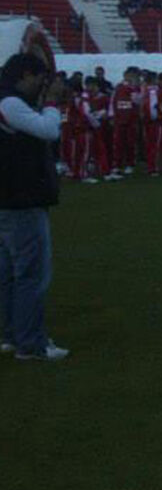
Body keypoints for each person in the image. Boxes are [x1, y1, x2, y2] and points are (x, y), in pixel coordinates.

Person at [0, 53, 70, 361]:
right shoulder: (10, 103)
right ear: (26, 74)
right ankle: (31, 343)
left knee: (10, 273)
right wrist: (53, 103)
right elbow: (48, 130)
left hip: (9, 197)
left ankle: (13, 335)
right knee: (31, 273)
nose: (43, 86)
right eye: (40, 79)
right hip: (21, 198)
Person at [110, 68, 139, 175]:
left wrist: (134, 90)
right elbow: (112, 102)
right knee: (118, 143)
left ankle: (129, 164)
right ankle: (117, 164)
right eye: (129, 75)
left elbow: (137, 102)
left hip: (131, 119)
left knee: (130, 143)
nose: (131, 77)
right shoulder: (118, 87)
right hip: (119, 119)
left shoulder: (135, 89)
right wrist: (112, 116)